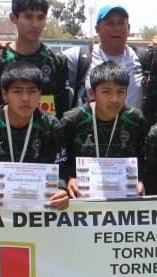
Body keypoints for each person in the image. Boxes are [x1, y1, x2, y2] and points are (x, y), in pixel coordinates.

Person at [0, 64, 70, 210]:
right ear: (4, 94)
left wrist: (61, 189)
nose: (25, 98)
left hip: (38, 207)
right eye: (17, 91)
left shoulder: (51, 126)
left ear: (40, 93)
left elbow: (60, 168)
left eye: (32, 91)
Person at [61, 61, 147, 197]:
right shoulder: (72, 120)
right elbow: (61, 159)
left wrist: (140, 180)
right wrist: (69, 178)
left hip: (124, 192)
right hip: (82, 193)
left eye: (121, 92)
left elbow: (142, 156)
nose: (114, 99)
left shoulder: (135, 119)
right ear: (92, 93)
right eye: (106, 92)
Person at [0, 0, 70, 117]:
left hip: (44, 136)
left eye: (41, 17)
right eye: (28, 17)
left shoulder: (57, 61)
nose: (35, 24)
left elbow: (63, 111)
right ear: (13, 18)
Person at [64, 4, 146, 109]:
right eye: (110, 23)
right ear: (97, 29)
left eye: (121, 23)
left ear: (128, 28)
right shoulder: (78, 57)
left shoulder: (143, 58)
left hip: (132, 125)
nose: (117, 28)